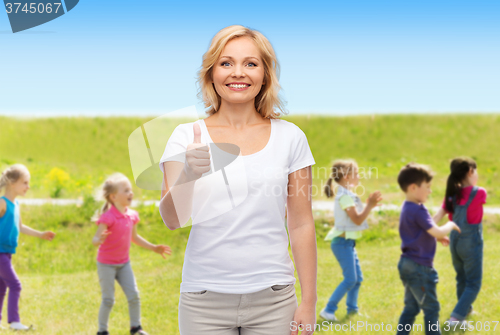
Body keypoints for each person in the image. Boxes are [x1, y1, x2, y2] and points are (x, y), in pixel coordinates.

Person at [158, 25, 317, 335]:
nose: (238, 73)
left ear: (265, 74)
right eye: (226, 63)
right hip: (203, 301)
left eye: (251, 63)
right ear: (211, 73)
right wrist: (189, 174)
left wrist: (308, 301)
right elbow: (172, 220)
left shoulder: (291, 138)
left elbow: (301, 223)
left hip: (274, 298)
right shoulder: (186, 137)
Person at [92, 173, 171, 335]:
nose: (131, 193)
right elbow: (95, 239)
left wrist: (153, 247)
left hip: (124, 264)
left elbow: (134, 238)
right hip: (106, 264)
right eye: (126, 190)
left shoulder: (132, 215)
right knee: (108, 300)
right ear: (114, 197)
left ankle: (136, 328)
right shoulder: (108, 217)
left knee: (134, 295)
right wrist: (98, 240)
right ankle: (102, 331)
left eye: (130, 190)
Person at [395, 163, 460, 335]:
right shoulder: (418, 210)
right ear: (414, 187)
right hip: (420, 268)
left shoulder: (408, 207)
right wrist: (450, 224)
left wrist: (437, 235)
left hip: (407, 264)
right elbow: (436, 229)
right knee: (431, 308)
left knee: (411, 308)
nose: (430, 191)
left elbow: (424, 229)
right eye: (428, 187)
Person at [319, 159, 382, 321]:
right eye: (356, 173)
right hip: (342, 244)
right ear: (347, 177)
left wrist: (369, 205)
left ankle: (352, 310)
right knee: (350, 279)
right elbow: (357, 220)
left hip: (347, 243)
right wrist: (370, 205)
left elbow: (356, 218)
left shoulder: (347, 195)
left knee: (357, 279)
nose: (359, 175)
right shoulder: (345, 197)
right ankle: (328, 310)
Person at [0, 164, 55, 331]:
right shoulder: (2, 203)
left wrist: (40, 234)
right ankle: (14, 322)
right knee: (15, 285)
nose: (28, 186)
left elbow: (21, 227)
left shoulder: (15, 204)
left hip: (7, 252)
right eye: (25, 182)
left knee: (2, 287)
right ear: (12, 183)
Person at [433, 157, 486, 325]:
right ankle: (456, 318)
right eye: (475, 171)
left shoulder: (452, 194)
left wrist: (432, 232)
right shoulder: (479, 192)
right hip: (470, 242)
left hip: (455, 241)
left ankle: (465, 309)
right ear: (470, 171)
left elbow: (437, 217)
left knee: (461, 278)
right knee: (473, 283)